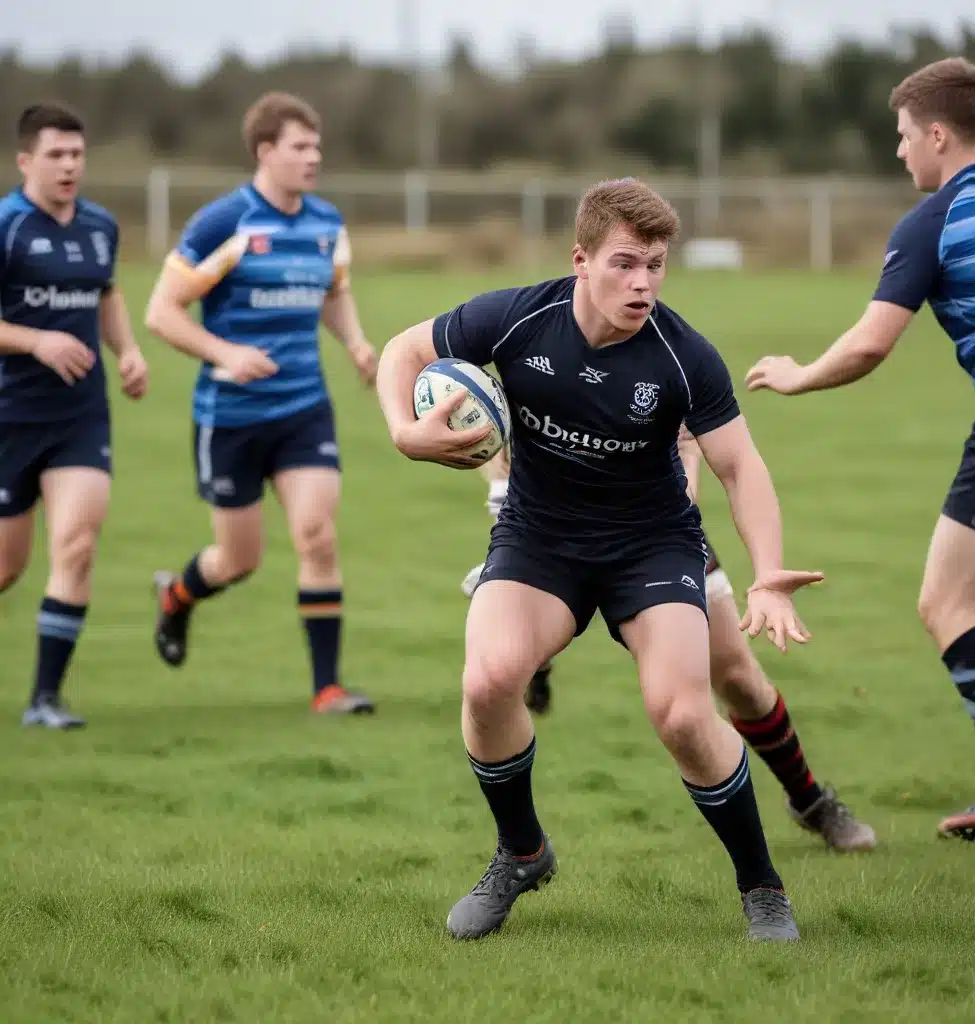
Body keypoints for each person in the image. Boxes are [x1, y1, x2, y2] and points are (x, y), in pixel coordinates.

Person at [377, 177, 824, 942]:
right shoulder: (518, 318)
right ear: (580, 259)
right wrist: (402, 430)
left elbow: (741, 469)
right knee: (487, 681)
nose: (643, 282)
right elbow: (403, 349)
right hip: (539, 536)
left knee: (682, 714)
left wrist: (769, 573)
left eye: (655, 264)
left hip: (650, 544)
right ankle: (522, 853)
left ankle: (762, 885)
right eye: (624, 263)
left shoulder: (684, 358)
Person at [745, 57, 975, 841]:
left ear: (938, 134)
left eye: (904, 137)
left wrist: (799, 378)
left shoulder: (932, 221)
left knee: (945, 604)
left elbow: (870, 345)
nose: (900, 152)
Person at [461, 430, 876, 853]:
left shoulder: (659, 369)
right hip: (550, 539)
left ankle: (810, 801)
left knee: (737, 678)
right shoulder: (529, 377)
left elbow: (687, 485)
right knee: (505, 656)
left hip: (653, 538)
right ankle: (520, 846)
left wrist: (687, 459)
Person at [144, 91, 378, 714]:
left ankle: (327, 688)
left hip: (304, 409)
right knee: (239, 559)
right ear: (265, 151)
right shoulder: (226, 223)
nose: (314, 157)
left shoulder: (326, 224)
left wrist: (354, 341)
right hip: (231, 418)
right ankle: (178, 598)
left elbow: (334, 292)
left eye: (317, 146)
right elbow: (161, 312)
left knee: (316, 535)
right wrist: (223, 353)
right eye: (300, 147)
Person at [0, 103, 148, 729]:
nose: (69, 166)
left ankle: (44, 700)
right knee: (8, 565)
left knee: (77, 545)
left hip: (81, 416)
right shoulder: (6, 225)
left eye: (77, 155)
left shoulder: (99, 226)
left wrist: (129, 350)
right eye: (56, 155)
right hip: (10, 416)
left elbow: (105, 294)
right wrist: (35, 341)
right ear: (26, 160)